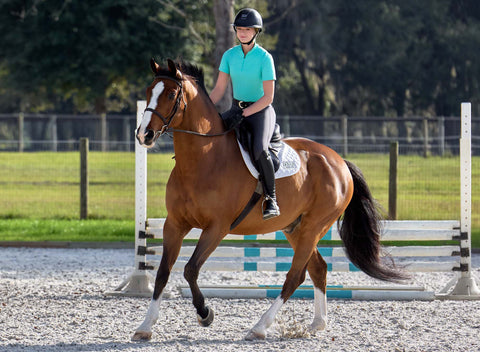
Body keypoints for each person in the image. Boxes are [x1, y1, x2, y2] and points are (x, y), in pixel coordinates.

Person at [210, 8, 280, 220]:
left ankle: (271, 199)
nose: (242, 33)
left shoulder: (264, 58)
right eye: (239, 29)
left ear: (256, 31)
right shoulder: (229, 56)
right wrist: (203, 108)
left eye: (247, 29)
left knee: (259, 148)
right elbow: (219, 90)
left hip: (261, 111)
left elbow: (268, 97)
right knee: (211, 139)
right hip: (236, 108)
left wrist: (246, 112)